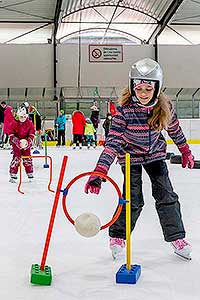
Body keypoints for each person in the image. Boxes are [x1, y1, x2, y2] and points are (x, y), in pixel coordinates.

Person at [84, 58, 194, 261]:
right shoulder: (124, 111)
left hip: (155, 155)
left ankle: (177, 238)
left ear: (157, 88)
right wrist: (99, 172)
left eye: (148, 89)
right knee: (133, 199)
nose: (143, 94)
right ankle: (118, 237)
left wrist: (185, 151)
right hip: (129, 156)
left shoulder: (165, 107)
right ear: (132, 87)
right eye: (139, 88)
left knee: (166, 195)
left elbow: (175, 130)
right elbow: (112, 144)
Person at [9, 104, 35, 182]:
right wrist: (16, 141)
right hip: (16, 144)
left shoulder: (29, 123)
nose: (23, 118)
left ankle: (30, 173)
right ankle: (13, 174)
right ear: (18, 116)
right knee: (16, 158)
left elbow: (32, 134)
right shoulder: (14, 123)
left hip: (26, 143)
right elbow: (11, 134)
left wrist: (28, 141)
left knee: (27, 158)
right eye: (21, 117)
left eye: (24, 117)